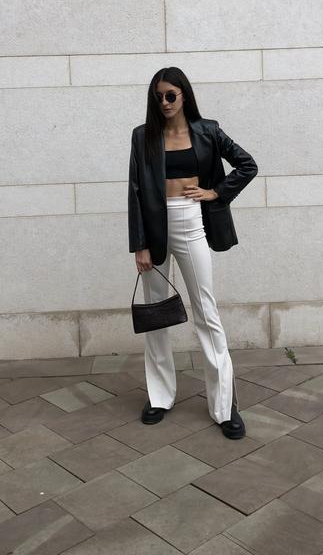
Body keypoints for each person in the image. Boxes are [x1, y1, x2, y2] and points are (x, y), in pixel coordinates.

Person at [128, 66, 258, 439]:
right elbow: (136, 190)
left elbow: (247, 165)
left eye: (171, 95)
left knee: (206, 312)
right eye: (158, 96)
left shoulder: (208, 131)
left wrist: (215, 192)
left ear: (184, 95)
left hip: (191, 222)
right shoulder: (143, 136)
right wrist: (139, 244)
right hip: (155, 229)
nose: (165, 102)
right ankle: (159, 397)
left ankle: (224, 406)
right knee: (156, 315)